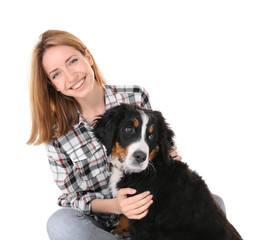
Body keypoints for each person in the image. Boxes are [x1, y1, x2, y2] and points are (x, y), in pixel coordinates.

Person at [27, 30, 224, 240]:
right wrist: (117, 206)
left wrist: (171, 158)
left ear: (88, 57)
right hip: (101, 227)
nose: (71, 76)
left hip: (150, 209)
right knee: (60, 224)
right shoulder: (57, 134)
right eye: (56, 74)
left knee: (214, 202)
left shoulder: (134, 96)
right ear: (52, 85)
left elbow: (158, 148)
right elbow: (70, 198)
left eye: (73, 61)